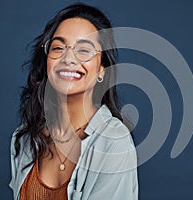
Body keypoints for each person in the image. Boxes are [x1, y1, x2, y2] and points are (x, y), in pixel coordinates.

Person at [9, 3, 138, 200]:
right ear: (46, 62)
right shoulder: (25, 139)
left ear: (102, 69)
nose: (68, 58)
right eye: (58, 47)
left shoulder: (113, 141)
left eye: (84, 50)